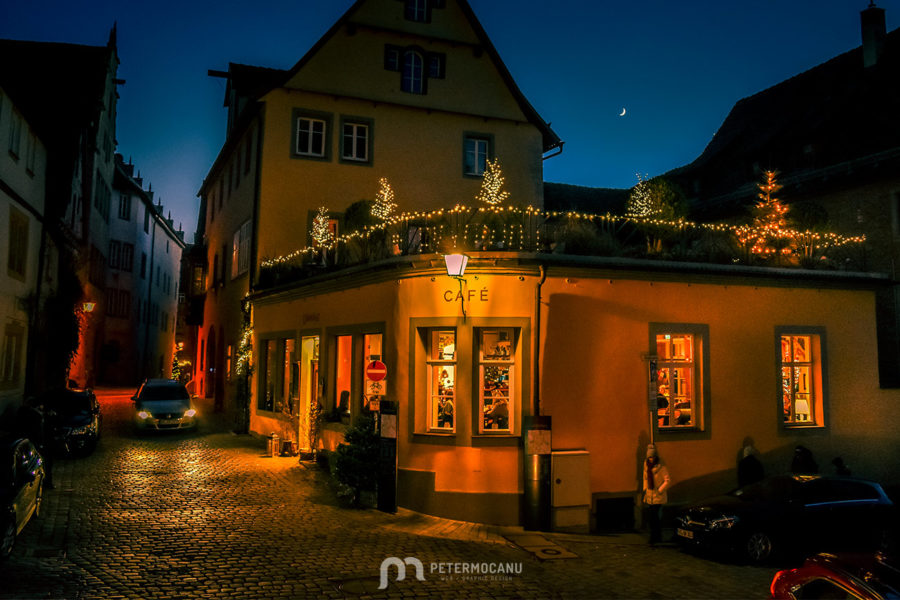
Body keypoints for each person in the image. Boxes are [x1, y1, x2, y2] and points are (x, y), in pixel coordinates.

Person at [16, 400, 54, 489]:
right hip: (38, 442)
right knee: (44, 462)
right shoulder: (36, 415)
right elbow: (39, 430)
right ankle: (46, 482)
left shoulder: (24, 413)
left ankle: (44, 482)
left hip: (32, 440)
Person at [642, 443, 670, 544]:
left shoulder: (661, 467)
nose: (651, 459)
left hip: (658, 496)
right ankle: (656, 537)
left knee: (655, 518)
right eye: (649, 457)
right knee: (652, 518)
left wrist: (660, 490)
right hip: (650, 495)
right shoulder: (646, 465)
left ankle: (655, 537)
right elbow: (645, 478)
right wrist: (645, 489)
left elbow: (667, 480)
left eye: (653, 457)